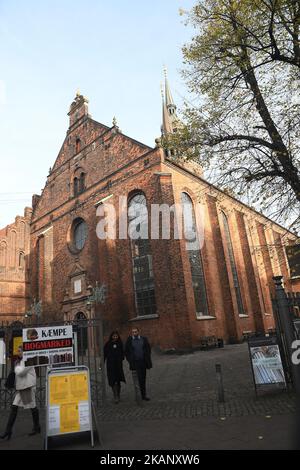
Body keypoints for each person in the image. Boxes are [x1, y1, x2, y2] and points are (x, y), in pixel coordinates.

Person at [0, 346, 41, 440]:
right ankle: (8, 431)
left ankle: (37, 427)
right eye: (18, 351)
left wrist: (15, 366)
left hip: (27, 387)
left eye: (19, 351)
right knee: (14, 407)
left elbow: (21, 372)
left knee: (32, 406)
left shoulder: (28, 360)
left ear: (24, 352)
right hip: (21, 388)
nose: (18, 353)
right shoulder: (19, 361)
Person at [125, 327, 152, 401]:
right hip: (135, 363)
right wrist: (130, 360)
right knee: (137, 379)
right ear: (132, 333)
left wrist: (147, 358)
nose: (134, 333)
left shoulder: (143, 339)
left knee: (143, 379)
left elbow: (148, 349)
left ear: (138, 332)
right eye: (133, 332)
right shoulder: (130, 340)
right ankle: (138, 396)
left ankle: (144, 395)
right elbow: (126, 351)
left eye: (136, 331)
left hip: (143, 362)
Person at [104, 331, 125, 404]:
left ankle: (118, 395)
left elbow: (123, 352)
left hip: (118, 365)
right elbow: (104, 353)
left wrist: (121, 358)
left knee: (118, 379)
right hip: (110, 365)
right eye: (114, 336)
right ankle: (115, 396)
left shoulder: (120, 343)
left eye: (116, 336)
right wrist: (102, 362)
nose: (115, 337)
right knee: (112, 380)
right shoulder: (108, 344)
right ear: (111, 336)